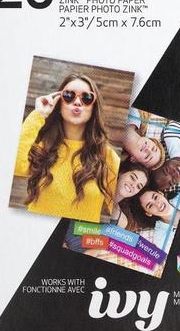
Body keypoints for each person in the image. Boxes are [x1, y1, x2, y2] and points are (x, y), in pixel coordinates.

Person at [14, 73, 120, 222]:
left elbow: (122, 208)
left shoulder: (106, 156)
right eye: (69, 96)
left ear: (93, 108)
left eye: (86, 98)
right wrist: (38, 115)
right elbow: (15, 167)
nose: (77, 102)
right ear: (59, 104)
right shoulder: (43, 147)